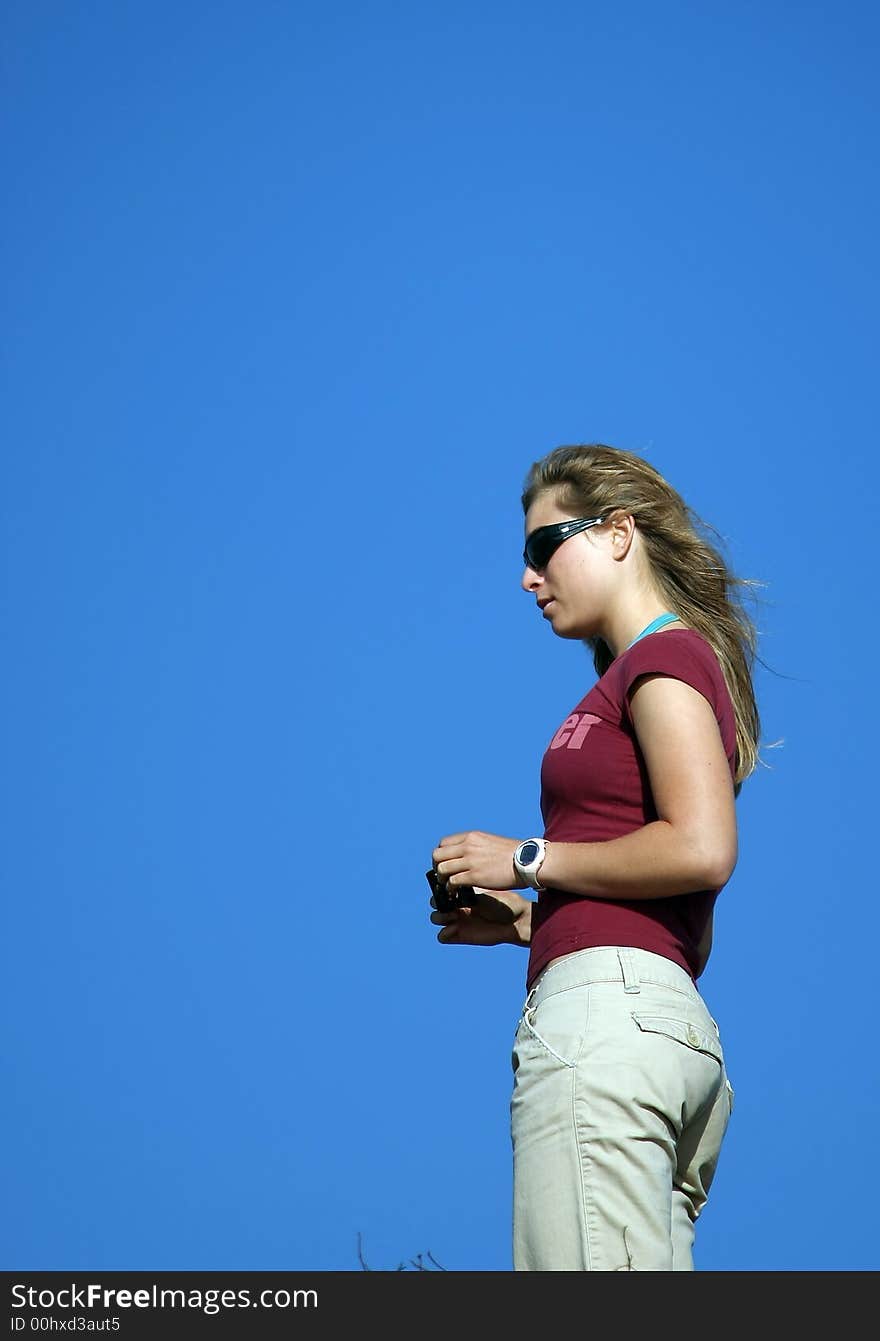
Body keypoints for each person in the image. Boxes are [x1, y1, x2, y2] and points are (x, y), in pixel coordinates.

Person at [429, 443, 765, 1271]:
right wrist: (527, 922)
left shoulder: (664, 657)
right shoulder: (646, 669)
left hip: (609, 1028)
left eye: (545, 547)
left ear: (618, 532)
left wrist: (530, 858)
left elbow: (701, 846)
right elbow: (671, 901)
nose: (528, 577)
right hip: (651, 1024)